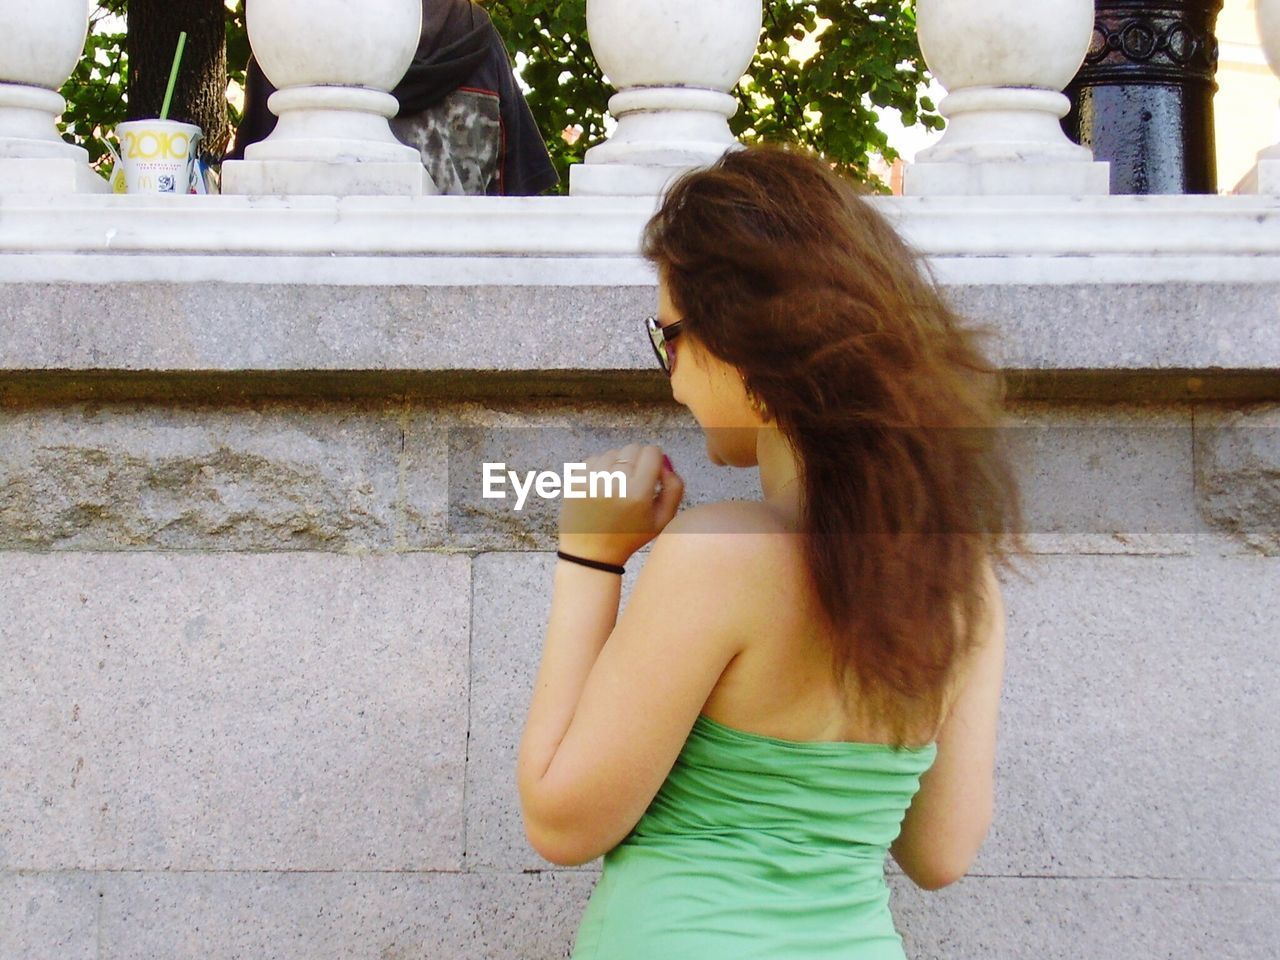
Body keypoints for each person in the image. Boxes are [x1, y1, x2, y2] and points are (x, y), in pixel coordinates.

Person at [516, 142, 1031, 958]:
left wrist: (590, 555)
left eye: (671, 337)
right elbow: (941, 852)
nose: (672, 375)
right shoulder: (960, 582)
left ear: (747, 349)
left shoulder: (720, 557)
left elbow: (560, 818)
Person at [225, 0, 559, 196]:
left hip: (308, 283)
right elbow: (517, 196)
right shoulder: (478, 41)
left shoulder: (287, 42)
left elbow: (244, 194)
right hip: (458, 286)